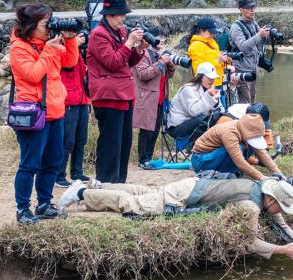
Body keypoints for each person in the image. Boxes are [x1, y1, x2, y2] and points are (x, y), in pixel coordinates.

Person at [58, 176, 293, 260]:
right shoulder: (250, 207)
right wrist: (282, 250)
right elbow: (250, 242)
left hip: (192, 184)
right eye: (281, 207)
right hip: (184, 198)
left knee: (146, 193)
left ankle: (98, 184)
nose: (281, 213)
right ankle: (81, 193)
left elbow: (279, 221)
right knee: (134, 206)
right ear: (271, 200)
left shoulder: (259, 185)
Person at [10, 3, 79, 224]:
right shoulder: (19, 47)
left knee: (52, 162)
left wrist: (68, 40)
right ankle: (22, 210)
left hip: (55, 111)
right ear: (31, 25)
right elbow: (32, 74)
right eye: (45, 23)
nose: (49, 27)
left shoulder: (48, 43)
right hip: (33, 114)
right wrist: (49, 49)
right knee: (30, 164)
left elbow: (70, 62)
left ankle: (44, 203)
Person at [86, 0, 145, 183]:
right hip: (108, 95)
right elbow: (112, 62)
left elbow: (129, 61)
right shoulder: (98, 35)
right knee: (110, 142)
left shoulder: (119, 31)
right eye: (121, 15)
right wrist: (129, 43)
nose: (123, 18)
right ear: (109, 14)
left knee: (124, 142)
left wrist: (139, 48)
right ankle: (106, 181)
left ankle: (119, 181)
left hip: (124, 94)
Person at [132, 28, 176, 170]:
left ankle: (148, 159)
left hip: (160, 97)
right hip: (147, 96)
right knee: (146, 129)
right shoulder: (143, 54)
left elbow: (169, 75)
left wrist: (169, 63)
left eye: (163, 40)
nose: (161, 43)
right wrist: (160, 62)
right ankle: (142, 160)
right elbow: (143, 74)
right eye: (159, 40)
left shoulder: (159, 54)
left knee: (155, 129)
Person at [191, 114, 283, 180]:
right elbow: (240, 162)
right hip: (200, 160)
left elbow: (262, 153)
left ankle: (229, 173)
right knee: (240, 147)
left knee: (249, 146)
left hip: (214, 156)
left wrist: (279, 174)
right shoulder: (230, 132)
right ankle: (221, 176)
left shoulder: (242, 127)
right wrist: (261, 177)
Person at [56, 33, 91, 188]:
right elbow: (66, 66)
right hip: (68, 100)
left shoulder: (78, 52)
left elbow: (83, 73)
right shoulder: (60, 50)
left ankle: (77, 172)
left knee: (81, 140)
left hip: (82, 99)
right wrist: (73, 46)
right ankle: (59, 175)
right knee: (67, 141)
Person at [229, 0, 270, 104]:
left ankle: (250, 119)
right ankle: (242, 120)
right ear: (241, 10)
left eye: (254, 8)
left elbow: (258, 43)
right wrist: (259, 35)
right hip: (241, 71)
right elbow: (243, 46)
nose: (253, 10)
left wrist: (266, 36)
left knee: (252, 100)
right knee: (245, 103)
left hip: (252, 69)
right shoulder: (236, 27)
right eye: (249, 8)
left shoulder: (253, 23)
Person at [167, 62, 222, 139]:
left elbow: (219, 110)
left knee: (219, 117)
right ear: (201, 76)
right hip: (178, 127)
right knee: (204, 119)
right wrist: (209, 96)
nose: (212, 81)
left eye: (213, 78)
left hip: (196, 123)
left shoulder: (210, 89)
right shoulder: (188, 89)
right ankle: (191, 148)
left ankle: (210, 147)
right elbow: (194, 111)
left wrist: (216, 103)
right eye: (209, 78)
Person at [187, 16, 233, 88]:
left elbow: (218, 64)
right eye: (211, 32)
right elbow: (199, 70)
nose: (213, 35)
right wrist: (218, 61)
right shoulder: (195, 46)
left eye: (213, 32)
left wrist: (226, 61)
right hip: (208, 86)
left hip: (219, 82)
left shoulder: (212, 42)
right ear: (202, 31)